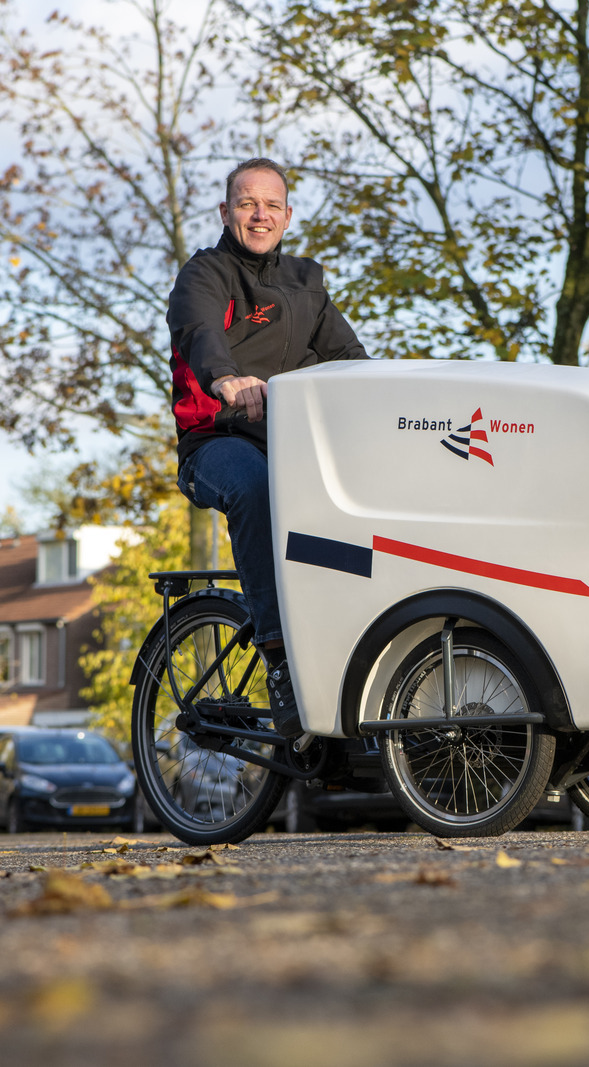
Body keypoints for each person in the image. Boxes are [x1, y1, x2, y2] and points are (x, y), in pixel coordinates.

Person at [166, 158, 367, 738]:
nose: (260, 215)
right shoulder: (204, 275)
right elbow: (199, 332)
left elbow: (350, 360)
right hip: (217, 442)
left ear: (288, 215)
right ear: (226, 212)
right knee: (255, 487)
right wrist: (226, 379)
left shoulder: (307, 284)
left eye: (272, 205)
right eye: (248, 204)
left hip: (292, 445)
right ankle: (279, 660)